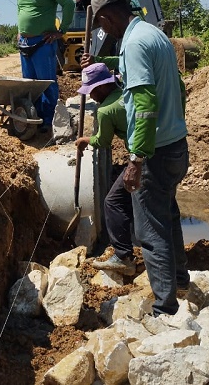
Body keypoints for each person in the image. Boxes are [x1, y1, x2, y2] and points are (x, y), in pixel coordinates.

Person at [81, 0, 190, 317]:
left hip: (154, 151)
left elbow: (142, 106)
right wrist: (101, 60)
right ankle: (180, 281)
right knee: (167, 217)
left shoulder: (135, 43)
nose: (103, 32)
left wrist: (135, 160)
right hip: (175, 143)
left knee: (149, 233)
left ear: (106, 17)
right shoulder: (151, 34)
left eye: (102, 26)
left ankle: (164, 310)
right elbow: (136, 69)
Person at [74, 63, 137, 277]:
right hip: (158, 151)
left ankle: (123, 257)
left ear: (100, 88)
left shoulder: (105, 110)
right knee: (133, 199)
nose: (90, 97)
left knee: (113, 201)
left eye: (91, 91)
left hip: (140, 157)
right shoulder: (126, 93)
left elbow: (103, 141)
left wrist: (84, 140)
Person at [16, 0, 75, 133]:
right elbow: (20, 10)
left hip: (43, 42)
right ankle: (35, 116)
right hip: (25, 43)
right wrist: (20, 32)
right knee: (29, 84)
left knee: (47, 83)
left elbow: (69, 4)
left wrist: (61, 31)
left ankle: (48, 121)